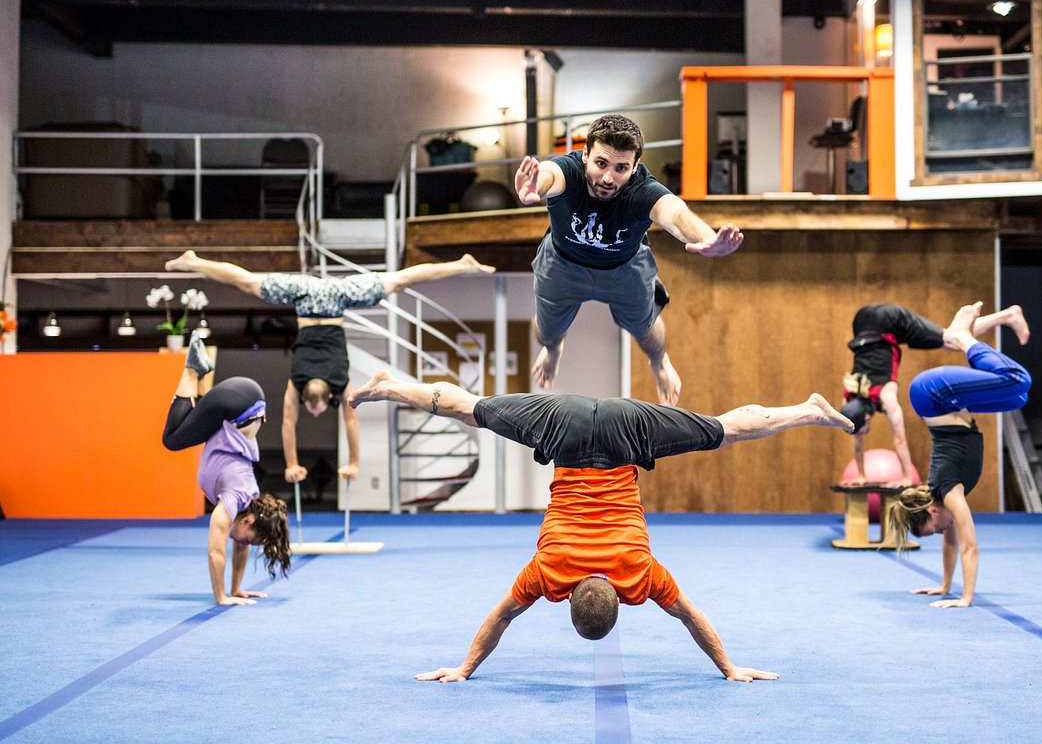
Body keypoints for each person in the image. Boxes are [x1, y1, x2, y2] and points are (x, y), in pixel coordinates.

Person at [345, 371, 853, 682]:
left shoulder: (638, 575)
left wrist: (730, 666)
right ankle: (391, 389)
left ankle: (807, 411)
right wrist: (462, 668)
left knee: (722, 431)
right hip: (563, 427)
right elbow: (499, 619)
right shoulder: (548, 574)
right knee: (471, 411)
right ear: (566, 600)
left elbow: (691, 617)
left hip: (625, 429)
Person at [165, 250, 495, 486]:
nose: (319, 413)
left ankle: (194, 261)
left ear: (318, 398)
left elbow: (317, 423)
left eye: (317, 410)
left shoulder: (337, 380)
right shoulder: (306, 382)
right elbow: (290, 423)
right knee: (399, 280)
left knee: (398, 281)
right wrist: (337, 463)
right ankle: (461, 263)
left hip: (329, 298)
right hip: (317, 297)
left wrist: (307, 465)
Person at [513, 113, 744, 407]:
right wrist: (536, 187)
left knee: (646, 330)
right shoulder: (568, 172)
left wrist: (705, 239)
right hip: (562, 265)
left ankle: (659, 363)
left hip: (624, 270)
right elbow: (548, 174)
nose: (608, 177)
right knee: (547, 332)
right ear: (585, 155)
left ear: (634, 167)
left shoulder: (641, 190)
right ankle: (554, 350)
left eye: (621, 168)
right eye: (601, 164)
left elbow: (675, 214)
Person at [886, 302, 1032, 609]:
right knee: (1017, 396)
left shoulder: (949, 492)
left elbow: (970, 546)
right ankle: (999, 319)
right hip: (939, 400)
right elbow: (951, 543)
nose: (943, 532)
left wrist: (965, 599)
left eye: (936, 527)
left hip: (935, 394)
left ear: (933, 511)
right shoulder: (941, 497)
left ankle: (962, 336)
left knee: (1019, 380)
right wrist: (943, 586)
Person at [161, 334, 291, 606]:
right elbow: (215, 552)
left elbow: (239, 546)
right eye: (252, 540)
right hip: (238, 404)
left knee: (189, 426)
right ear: (249, 521)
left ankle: (198, 372)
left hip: (246, 406)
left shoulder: (249, 504)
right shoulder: (233, 500)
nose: (244, 545)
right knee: (171, 440)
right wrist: (221, 598)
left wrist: (236, 590)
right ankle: (191, 369)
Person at [839, 302, 1029, 487]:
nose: (861, 435)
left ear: (866, 416)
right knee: (948, 336)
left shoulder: (885, 397)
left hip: (891, 321)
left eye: (864, 429)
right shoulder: (848, 396)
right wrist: (861, 475)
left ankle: (1007, 315)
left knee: (952, 340)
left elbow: (900, 439)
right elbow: (857, 442)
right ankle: (988, 322)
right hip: (863, 323)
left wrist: (906, 477)